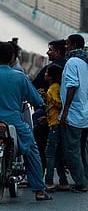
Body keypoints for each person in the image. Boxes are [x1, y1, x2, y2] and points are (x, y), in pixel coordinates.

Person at [0, 41, 52, 201]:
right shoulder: (19, 77)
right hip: (14, 125)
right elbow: (36, 99)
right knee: (32, 151)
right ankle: (39, 190)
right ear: (12, 57)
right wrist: (41, 102)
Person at [31, 39, 67, 173]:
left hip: (52, 118)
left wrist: (45, 96)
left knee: (44, 147)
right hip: (72, 117)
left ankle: (45, 176)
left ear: (57, 52)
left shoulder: (51, 70)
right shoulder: (70, 66)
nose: (48, 52)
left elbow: (33, 86)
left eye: (50, 50)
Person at [59, 34, 88, 193]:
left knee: (72, 150)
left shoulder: (72, 62)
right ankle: (85, 179)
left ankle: (80, 183)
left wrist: (65, 111)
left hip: (75, 113)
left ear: (74, 45)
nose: (65, 46)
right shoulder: (85, 61)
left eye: (67, 44)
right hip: (85, 113)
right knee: (83, 149)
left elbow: (72, 86)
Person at [41, 64, 69, 192]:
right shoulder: (56, 88)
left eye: (47, 72)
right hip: (53, 122)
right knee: (57, 154)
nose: (45, 74)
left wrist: (48, 97)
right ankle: (63, 181)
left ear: (51, 76)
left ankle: (49, 181)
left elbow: (59, 104)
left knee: (50, 154)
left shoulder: (53, 89)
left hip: (55, 125)